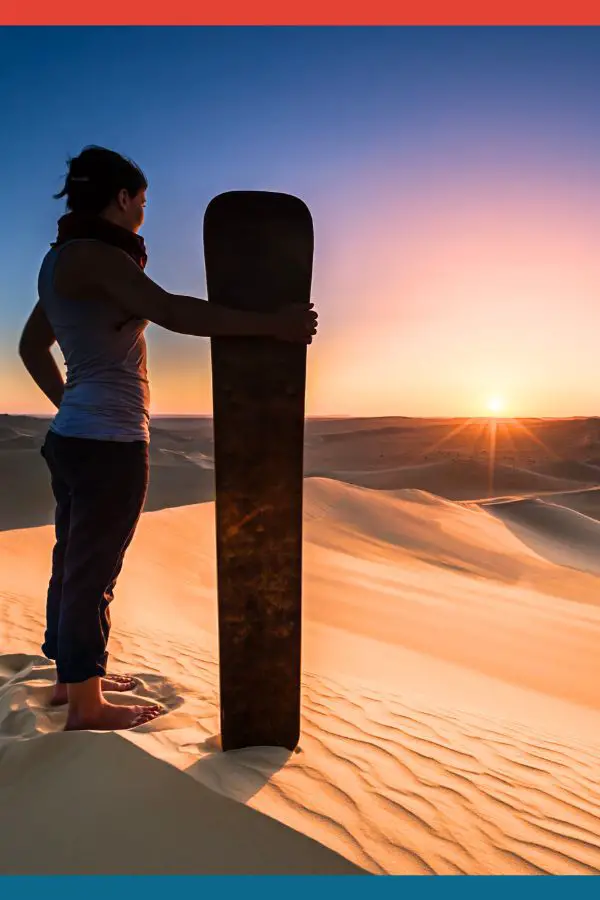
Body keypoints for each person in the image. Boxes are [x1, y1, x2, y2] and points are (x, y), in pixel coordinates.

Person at [18, 146, 318, 733]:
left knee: (72, 561)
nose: (143, 213)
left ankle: (72, 681)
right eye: (143, 202)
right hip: (107, 445)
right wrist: (273, 325)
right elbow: (171, 310)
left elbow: (33, 348)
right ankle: (86, 705)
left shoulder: (60, 263)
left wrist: (72, 407)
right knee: (91, 571)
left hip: (79, 436)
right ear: (124, 197)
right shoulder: (99, 258)